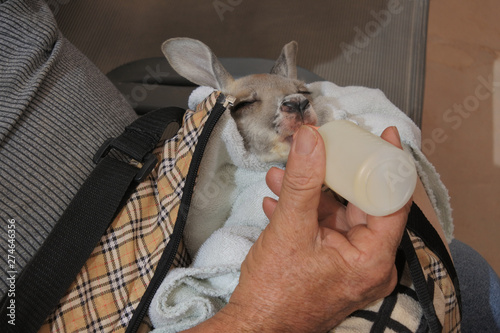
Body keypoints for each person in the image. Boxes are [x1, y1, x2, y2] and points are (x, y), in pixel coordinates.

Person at [0, 0, 498, 332]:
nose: (293, 108)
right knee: (468, 287)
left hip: (147, 164)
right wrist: (261, 315)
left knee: (465, 269)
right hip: (83, 286)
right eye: (243, 105)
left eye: (297, 98)